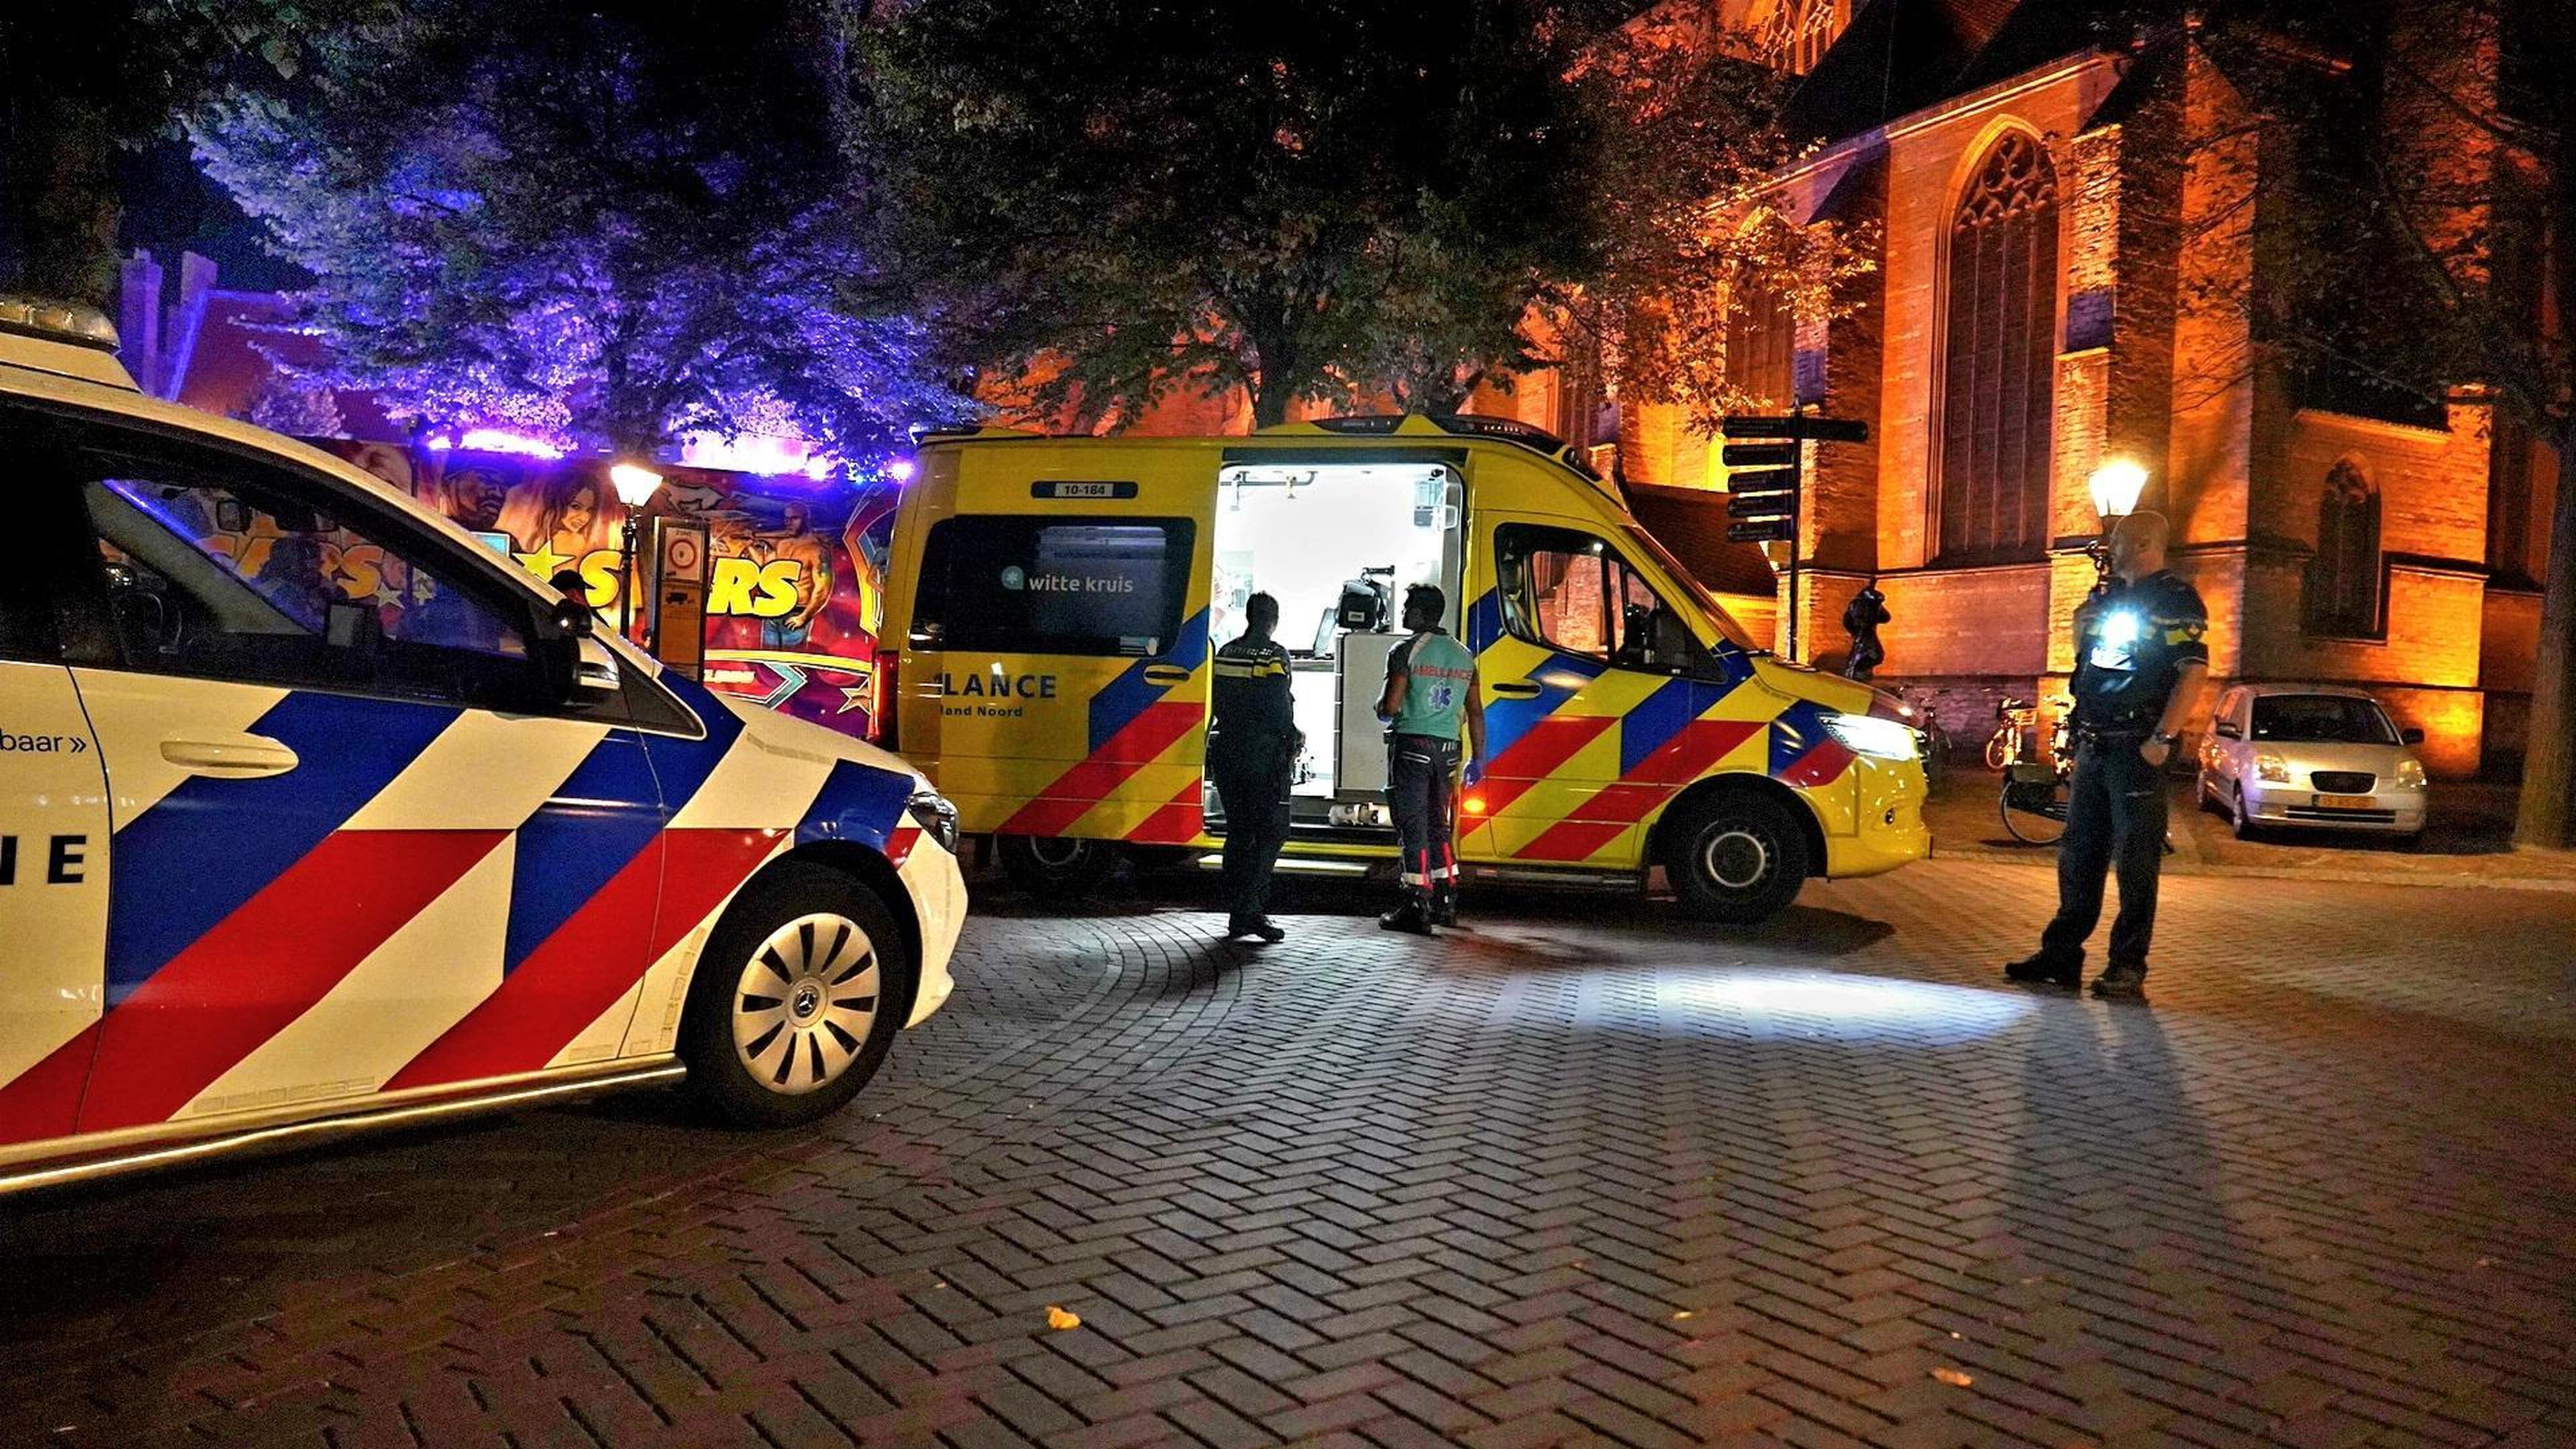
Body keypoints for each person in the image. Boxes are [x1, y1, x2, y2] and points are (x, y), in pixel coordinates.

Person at [2005, 511, 2208, 1000]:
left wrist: (2162, 739)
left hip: (2137, 746)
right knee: (2079, 854)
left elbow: (2193, 671)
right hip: (2095, 742)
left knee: (2136, 859)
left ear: (2142, 545)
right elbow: (2091, 662)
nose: (2109, 551)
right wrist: (2081, 628)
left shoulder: (2175, 599)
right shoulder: (2110, 596)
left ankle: (2127, 965)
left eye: (2116, 543)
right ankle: (2061, 954)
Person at [1377, 584, 1484, 934]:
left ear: (1422, 613)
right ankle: (1446, 899)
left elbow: (1390, 708)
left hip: (1413, 746)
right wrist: (1478, 759)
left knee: (1413, 826)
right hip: (1449, 749)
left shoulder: (1405, 650)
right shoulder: (1464, 655)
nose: (1404, 612)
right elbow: (1476, 712)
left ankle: (1416, 904)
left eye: (1408, 606)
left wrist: (1379, 706)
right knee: (1439, 824)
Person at [1210, 591, 1299, 943]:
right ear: (1273, 620)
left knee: (1239, 831)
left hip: (1228, 749)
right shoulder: (1273, 655)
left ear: (1249, 617)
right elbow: (1279, 706)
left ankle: (1236, 910)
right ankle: (1250, 911)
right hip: (1261, 754)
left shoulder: (1226, 651)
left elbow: (1217, 699)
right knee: (1270, 833)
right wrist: (1292, 735)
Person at [1841, 579, 1889, 681]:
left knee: (1876, 655)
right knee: (1867, 654)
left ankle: (1858, 672)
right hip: (1861, 633)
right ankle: (1855, 673)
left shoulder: (1873, 606)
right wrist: (1858, 630)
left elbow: (1885, 618)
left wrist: (1877, 611)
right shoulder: (1857, 605)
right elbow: (1850, 620)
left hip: (1866, 633)